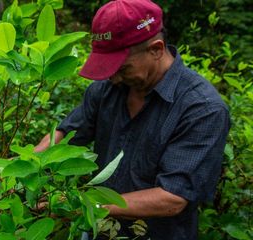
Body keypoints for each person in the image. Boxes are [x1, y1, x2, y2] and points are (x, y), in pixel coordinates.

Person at [35, 0, 231, 239]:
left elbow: (173, 198)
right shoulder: (108, 89)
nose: (114, 77)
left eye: (122, 68)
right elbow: (67, 133)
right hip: (98, 230)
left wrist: (84, 206)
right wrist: (26, 167)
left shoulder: (202, 108)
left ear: (156, 49)